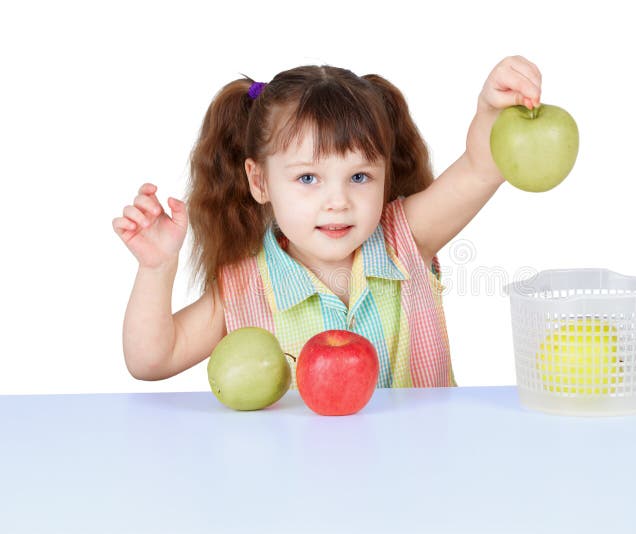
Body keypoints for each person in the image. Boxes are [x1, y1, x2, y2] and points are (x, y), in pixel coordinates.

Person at [113, 56, 542, 388]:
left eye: (359, 176)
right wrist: (156, 269)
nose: (337, 201)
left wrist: (490, 109)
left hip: (419, 477)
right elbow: (152, 360)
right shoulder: (243, 287)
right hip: (297, 487)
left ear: (384, 176)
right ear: (259, 181)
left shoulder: (406, 237)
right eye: (307, 178)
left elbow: (483, 167)